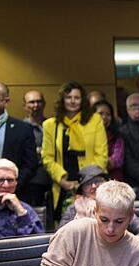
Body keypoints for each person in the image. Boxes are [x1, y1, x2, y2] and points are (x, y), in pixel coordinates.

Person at [33, 180, 139, 266]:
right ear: (95, 211)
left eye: (119, 221)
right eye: (104, 220)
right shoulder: (74, 233)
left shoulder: (137, 252)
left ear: (131, 216)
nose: (110, 229)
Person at [41, 82, 108, 218]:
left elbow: (101, 154)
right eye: (68, 97)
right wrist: (62, 181)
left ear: (83, 100)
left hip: (90, 182)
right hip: (62, 183)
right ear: (62, 100)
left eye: (77, 98)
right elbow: (47, 157)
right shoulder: (50, 125)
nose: (72, 101)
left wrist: (87, 181)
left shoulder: (95, 120)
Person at [58, 165, 139, 241]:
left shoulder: (119, 205)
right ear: (82, 189)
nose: (94, 186)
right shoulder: (73, 209)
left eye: (97, 181)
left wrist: (130, 244)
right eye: (88, 183)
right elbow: (60, 236)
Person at [0, 82, 38, 202]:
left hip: (12, 195)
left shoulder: (22, 129)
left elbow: (30, 165)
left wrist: (7, 186)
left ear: (6, 102)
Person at [0, 158, 43, 240]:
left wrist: (21, 212)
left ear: (16, 183)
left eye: (10, 180)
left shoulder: (25, 209)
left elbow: (38, 243)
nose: (6, 185)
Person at [22, 90, 53, 207]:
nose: (35, 105)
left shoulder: (52, 125)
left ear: (44, 104)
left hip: (54, 179)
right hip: (32, 181)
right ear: (25, 105)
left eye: (39, 102)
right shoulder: (21, 128)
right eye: (31, 102)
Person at [93, 100, 124, 182]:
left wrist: (97, 162)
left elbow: (117, 160)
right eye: (100, 114)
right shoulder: (86, 135)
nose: (104, 117)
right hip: (91, 180)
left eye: (108, 114)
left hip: (114, 180)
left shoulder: (117, 136)